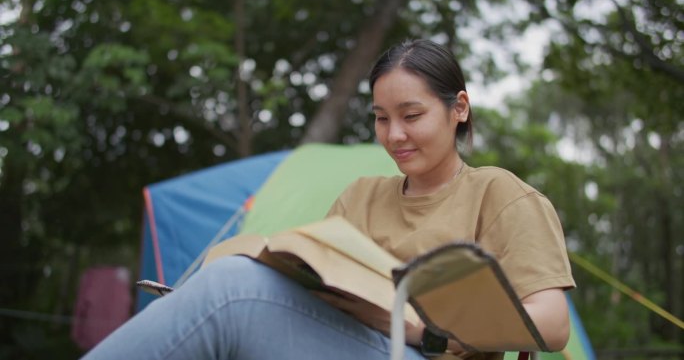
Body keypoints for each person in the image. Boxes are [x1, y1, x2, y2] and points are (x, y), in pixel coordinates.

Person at [82, 39, 575, 360]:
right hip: (349, 342)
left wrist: (422, 327)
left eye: (412, 115)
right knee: (234, 276)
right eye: (382, 118)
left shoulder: (500, 193)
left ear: (459, 109)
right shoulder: (361, 196)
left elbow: (552, 328)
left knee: (230, 288)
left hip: (423, 353)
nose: (395, 134)